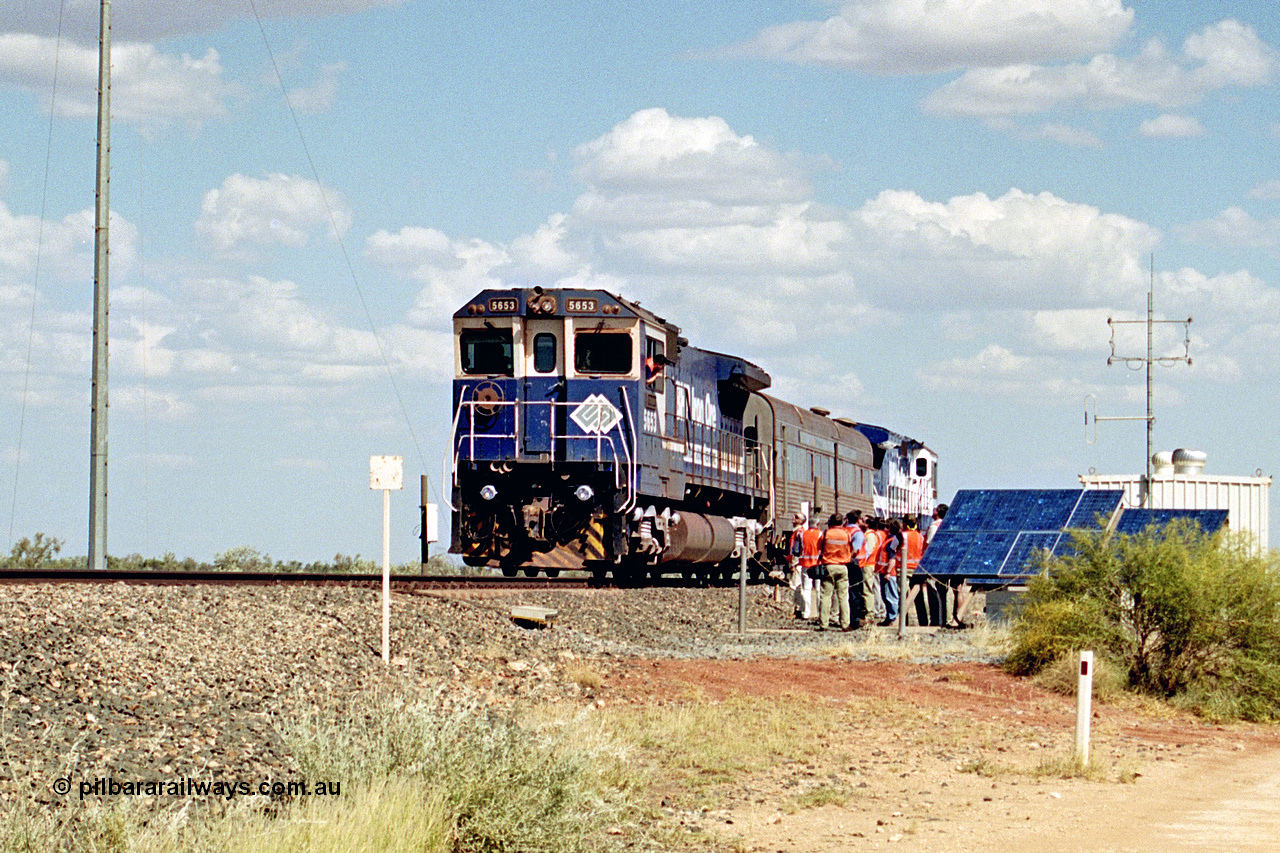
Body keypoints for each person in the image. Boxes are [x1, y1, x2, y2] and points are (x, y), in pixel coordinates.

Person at [817, 513, 854, 631]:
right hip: (843, 567)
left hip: (828, 566)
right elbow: (850, 548)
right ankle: (845, 624)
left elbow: (819, 548)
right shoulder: (846, 534)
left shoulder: (826, 533)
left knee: (826, 596)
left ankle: (824, 624)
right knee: (843, 597)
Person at [790, 513, 822, 620]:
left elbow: (796, 551)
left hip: (806, 565)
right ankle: (819, 612)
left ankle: (806, 613)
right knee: (818, 589)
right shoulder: (821, 534)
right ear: (817, 524)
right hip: (818, 565)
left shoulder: (802, 534)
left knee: (806, 589)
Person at [858, 516, 885, 626]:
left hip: (868, 564)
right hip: (868, 564)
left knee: (868, 589)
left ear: (868, 524)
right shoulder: (869, 534)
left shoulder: (870, 535)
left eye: (864, 521)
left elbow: (868, 551)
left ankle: (870, 613)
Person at [879, 518, 903, 626]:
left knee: (891, 596)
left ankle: (893, 618)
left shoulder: (892, 540)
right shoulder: (889, 539)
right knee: (886, 596)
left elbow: (892, 558)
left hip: (889, 573)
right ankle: (889, 617)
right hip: (884, 571)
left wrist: (888, 572)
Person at [844, 510, 865, 625]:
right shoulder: (858, 532)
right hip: (855, 564)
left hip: (844, 563)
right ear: (858, 520)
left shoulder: (844, 530)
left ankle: (844, 617)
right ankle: (855, 619)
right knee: (855, 592)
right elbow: (855, 551)